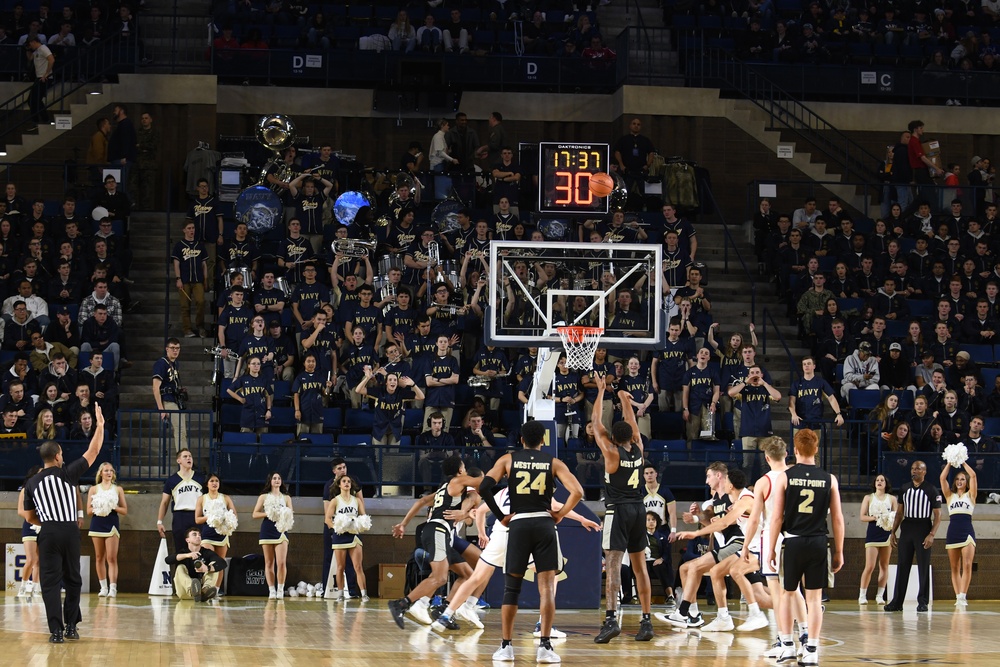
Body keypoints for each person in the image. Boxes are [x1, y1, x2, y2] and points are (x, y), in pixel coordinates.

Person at [474, 419, 584, 663]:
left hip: (519, 524)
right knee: (546, 588)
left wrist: (501, 516)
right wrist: (560, 514)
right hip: (545, 524)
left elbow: (484, 486)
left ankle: (506, 646)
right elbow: (577, 492)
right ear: (543, 441)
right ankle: (545, 646)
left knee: (511, 589)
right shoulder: (554, 462)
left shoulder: (507, 460)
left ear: (521, 440)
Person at [431, 477, 599, 634]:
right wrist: (582, 519)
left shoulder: (502, 492)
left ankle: (446, 615)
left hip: (498, 535)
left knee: (475, 577)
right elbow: (556, 507)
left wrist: (482, 533)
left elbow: (481, 511)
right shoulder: (534, 491)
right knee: (552, 577)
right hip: (518, 536)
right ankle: (542, 625)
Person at [19, 405, 105, 644]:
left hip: (47, 532)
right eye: (62, 455)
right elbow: (94, 449)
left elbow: (28, 516)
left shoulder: (32, 483)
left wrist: (47, 521)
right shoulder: (66, 473)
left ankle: (55, 631)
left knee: (49, 582)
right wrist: (101, 425)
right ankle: (71, 627)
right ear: (57, 456)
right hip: (69, 531)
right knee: (73, 579)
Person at [767, 429, 845, 666]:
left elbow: (777, 518)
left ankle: (788, 646)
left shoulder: (785, 477)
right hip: (819, 542)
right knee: (814, 598)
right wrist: (839, 551)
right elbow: (838, 519)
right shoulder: (829, 478)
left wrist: (770, 548)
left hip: (793, 541)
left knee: (787, 595)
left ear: (796, 450)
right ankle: (811, 648)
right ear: (817, 449)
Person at [592, 375, 655, 643]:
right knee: (640, 567)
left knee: (614, 566)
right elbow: (632, 424)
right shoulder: (639, 449)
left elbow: (596, 424)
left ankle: (610, 620)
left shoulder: (611, 453)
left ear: (613, 439)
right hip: (638, 510)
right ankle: (646, 620)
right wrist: (622, 400)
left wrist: (600, 392)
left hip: (617, 511)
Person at [388, 455, 480, 628]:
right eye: (464, 468)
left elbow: (422, 501)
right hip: (438, 530)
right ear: (460, 471)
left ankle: (444, 609)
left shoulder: (446, 488)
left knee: (467, 574)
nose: (466, 472)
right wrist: (503, 471)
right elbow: (482, 481)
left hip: (439, 533)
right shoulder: (459, 481)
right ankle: (402, 604)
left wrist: (404, 523)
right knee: (440, 577)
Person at [885, 459, 942, 612]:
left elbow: (938, 515)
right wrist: (893, 532)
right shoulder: (904, 488)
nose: (914, 471)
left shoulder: (931, 490)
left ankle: (922, 601)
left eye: (918, 468)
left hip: (923, 527)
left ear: (924, 471)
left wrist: (931, 534)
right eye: (912, 468)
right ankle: (897, 602)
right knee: (902, 565)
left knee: (923, 566)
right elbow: (899, 512)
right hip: (907, 527)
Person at [728, 364, 781, 474]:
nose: (754, 375)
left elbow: (778, 396)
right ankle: (747, 487)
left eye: (757, 372)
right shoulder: (744, 390)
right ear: (748, 375)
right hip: (748, 431)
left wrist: (765, 383)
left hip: (765, 432)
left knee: (765, 465)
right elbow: (731, 393)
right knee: (747, 464)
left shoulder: (766, 390)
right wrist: (745, 382)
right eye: (752, 373)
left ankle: (765, 490)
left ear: (762, 374)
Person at [323, 474, 369, 601]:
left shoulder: (357, 500)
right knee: (340, 567)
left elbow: (364, 516)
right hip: (340, 536)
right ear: (339, 485)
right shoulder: (335, 500)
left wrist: (360, 524)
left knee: (358, 566)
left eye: (349, 481)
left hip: (354, 535)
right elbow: (327, 519)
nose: (347, 483)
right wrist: (336, 528)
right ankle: (340, 594)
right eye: (344, 481)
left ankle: (364, 594)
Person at [86, 461, 127, 598]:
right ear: (101, 473)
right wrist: (100, 506)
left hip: (112, 523)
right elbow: (88, 511)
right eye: (106, 471)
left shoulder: (118, 489)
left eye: (111, 471)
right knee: (99, 557)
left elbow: (124, 510)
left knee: (111, 557)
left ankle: (113, 588)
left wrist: (112, 506)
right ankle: (103, 587)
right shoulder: (94, 489)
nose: (109, 473)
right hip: (97, 523)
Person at [940, 459, 977, 607]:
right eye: (957, 479)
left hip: (967, 531)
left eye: (962, 479)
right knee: (954, 567)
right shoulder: (949, 496)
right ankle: (957, 596)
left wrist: (962, 462)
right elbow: (942, 478)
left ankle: (963, 596)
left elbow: (973, 475)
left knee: (967, 565)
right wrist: (950, 462)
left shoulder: (971, 495)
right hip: (953, 531)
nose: (960, 481)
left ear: (966, 482)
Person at [156, 448, 206, 555]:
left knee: (200, 549)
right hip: (180, 516)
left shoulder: (201, 478)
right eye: (185, 456)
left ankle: (199, 571)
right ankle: (181, 571)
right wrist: (159, 521)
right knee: (180, 549)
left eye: (190, 456)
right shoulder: (172, 480)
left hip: (197, 515)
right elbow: (164, 502)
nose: (189, 458)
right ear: (178, 461)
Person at [252, 471, 293, 599]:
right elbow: (255, 514)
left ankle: (280, 589)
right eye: (274, 478)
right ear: (270, 481)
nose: (277, 480)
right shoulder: (263, 496)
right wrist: (268, 513)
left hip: (281, 529)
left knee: (281, 562)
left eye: (279, 478)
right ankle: (272, 590)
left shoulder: (286, 497)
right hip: (267, 529)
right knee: (269, 562)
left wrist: (283, 514)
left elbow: (291, 514)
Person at [194, 473, 238, 590]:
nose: (214, 483)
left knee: (220, 563)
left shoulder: (225, 498)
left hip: (222, 535)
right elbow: (197, 519)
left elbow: (234, 516)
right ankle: (206, 587)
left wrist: (225, 519)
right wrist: (211, 517)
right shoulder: (202, 499)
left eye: (216, 481)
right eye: (212, 481)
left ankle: (215, 590)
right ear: (207, 484)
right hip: (208, 534)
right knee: (209, 562)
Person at [858, 474, 897, 605]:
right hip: (873, 533)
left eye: (882, 480)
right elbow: (862, 517)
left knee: (884, 565)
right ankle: (862, 595)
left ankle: (880, 595)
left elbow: (896, 517)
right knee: (869, 566)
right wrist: (875, 518)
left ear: (886, 484)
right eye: (877, 480)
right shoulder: (868, 498)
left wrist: (890, 522)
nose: (880, 482)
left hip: (886, 533)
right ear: (874, 483)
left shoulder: (892, 499)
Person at [164, 526, 227, 602]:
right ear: (187, 540)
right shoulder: (183, 552)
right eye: (194, 534)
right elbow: (168, 560)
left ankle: (205, 591)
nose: (198, 536)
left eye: (199, 535)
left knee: (214, 565)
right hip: (185, 593)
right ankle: (193, 590)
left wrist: (207, 568)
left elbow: (223, 563)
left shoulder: (206, 552)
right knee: (180, 567)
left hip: (202, 588)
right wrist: (187, 555)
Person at [172, 220, 208, 338]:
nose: (191, 230)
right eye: (189, 228)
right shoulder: (179, 245)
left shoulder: (200, 245)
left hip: (198, 280)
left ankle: (200, 326)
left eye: (193, 228)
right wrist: (178, 278)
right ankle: (187, 329)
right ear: (184, 230)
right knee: (185, 305)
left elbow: (204, 264)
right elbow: (176, 263)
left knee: (201, 301)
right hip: (185, 279)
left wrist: (206, 278)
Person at [152, 338, 186, 452]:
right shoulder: (161, 363)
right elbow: (155, 387)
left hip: (175, 399)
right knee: (180, 430)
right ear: (167, 349)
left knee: (181, 430)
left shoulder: (176, 363)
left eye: (177, 348)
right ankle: (183, 459)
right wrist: (161, 409)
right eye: (173, 348)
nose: (175, 351)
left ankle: (183, 456)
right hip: (167, 400)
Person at [15, 465, 41, 598]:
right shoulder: (25, 490)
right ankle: (23, 586)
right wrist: (33, 517)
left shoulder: (45, 490)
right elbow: (20, 511)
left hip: (43, 526)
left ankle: (36, 588)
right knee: (31, 559)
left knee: (39, 561)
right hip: (30, 525)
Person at [26, 35, 53, 129]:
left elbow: (51, 59)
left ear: (33, 41)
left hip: (44, 78)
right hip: (39, 78)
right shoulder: (37, 50)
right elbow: (30, 58)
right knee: (34, 100)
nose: (30, 46)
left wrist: (46, 74)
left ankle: (37, 121)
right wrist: (27, 49)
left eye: (30, 44)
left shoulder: (43, 48)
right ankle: (44, 120)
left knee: (34, 100)